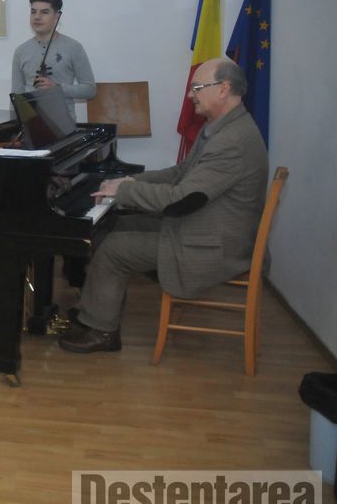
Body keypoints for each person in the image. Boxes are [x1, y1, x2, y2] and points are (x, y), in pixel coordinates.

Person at [58, 58, 269, 353]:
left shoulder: (231, 141)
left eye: (197, 88)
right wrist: (130, 180)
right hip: (205, 226)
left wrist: (125, 191)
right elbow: (180, 173)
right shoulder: (221, 127)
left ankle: (102, 332)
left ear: (223, 89)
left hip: (214, 245)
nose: (190, 95)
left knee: (114, 249)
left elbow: (182, 199)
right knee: (114, 225)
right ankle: (96, 312)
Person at [11, 0, 95, 121]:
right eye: (33, 12)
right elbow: (16, 94)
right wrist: (14, 125)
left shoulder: (73, 47)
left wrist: (59, 89)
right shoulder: (20, 51)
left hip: (64, 124)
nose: (37, 17)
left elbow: (90, 89)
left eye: (44, 12)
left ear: (57, 16)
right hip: (31, 124)